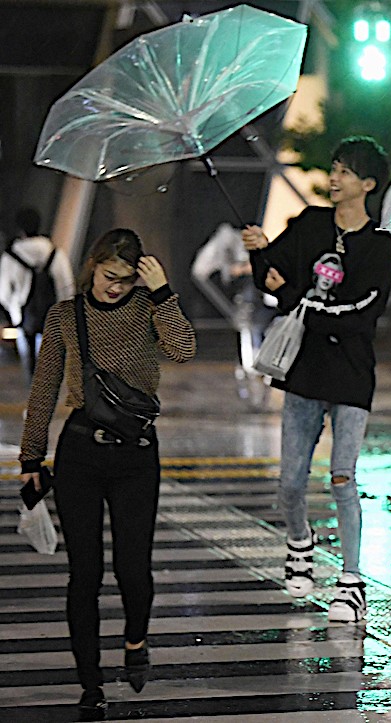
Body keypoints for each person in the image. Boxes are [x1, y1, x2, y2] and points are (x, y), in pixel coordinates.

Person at [18, 228, 196, 718]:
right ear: (92, 266)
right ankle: (90, 683)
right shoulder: (65, 316)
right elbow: (44, 390)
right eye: (108, 276)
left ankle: (136, 641)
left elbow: (183, 349)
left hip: (136, 456)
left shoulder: (147, 309)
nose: (115, 287)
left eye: (125, 279)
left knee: (133, 569)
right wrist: (31, 459)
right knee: (85, 574)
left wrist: (162, 293)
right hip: (80, 454)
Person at [242, 136, 391, 622]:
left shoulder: (380, 245)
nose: (334, 178)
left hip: (351, 374)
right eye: (334, 168)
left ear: (368, 184)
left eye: (345, 172)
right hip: (304, 370)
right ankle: (299, 541)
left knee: (342, 476)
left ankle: (351, 581)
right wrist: (259, 253)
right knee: (290, 483)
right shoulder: (310, 224)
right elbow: (270, 278)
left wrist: (295, 298)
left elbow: (360, 315)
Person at [0, 207, 75, 382]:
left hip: (24, 315)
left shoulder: (10, 257)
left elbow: (3, 291)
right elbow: (67, 285)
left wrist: (13, 308)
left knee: (29, 360)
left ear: (20, 228)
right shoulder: (55, 253)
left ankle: (32, 386)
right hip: (52, 314)